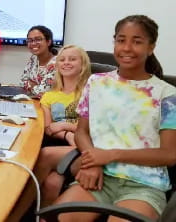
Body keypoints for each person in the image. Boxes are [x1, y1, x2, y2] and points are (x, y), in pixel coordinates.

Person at [53, 15, 176, 221]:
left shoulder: (167, 95)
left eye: (137, 41)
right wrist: (92, 162)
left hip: (144, 185)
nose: (127, 48)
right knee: (60, 217)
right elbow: (82, 131)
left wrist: (110, 155)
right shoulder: (96, 82)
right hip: (99, 177)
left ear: (151, 47)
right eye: (121, 40)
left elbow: (169, 154)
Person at [8, 45, 92, 221]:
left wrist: (65, 125)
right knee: (51, 184)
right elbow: (48, 128)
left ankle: (16, 216)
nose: (66, 63)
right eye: (62, 59)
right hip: (62, 145)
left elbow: (93, 126)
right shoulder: (49, 96)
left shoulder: (90, 92)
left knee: (51, 180)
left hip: (86, 145)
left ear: (83, 64)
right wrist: (67, 135)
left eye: (72, 59)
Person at [20, 25, 57, 97]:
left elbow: (42, 92)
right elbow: (21, 82)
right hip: (32, 100)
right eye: (30, 40)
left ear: (48, 42)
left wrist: (30, 84)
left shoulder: (56, 64)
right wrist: (36, 86)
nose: (33, 43)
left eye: (38, 39)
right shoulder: (33, 58)